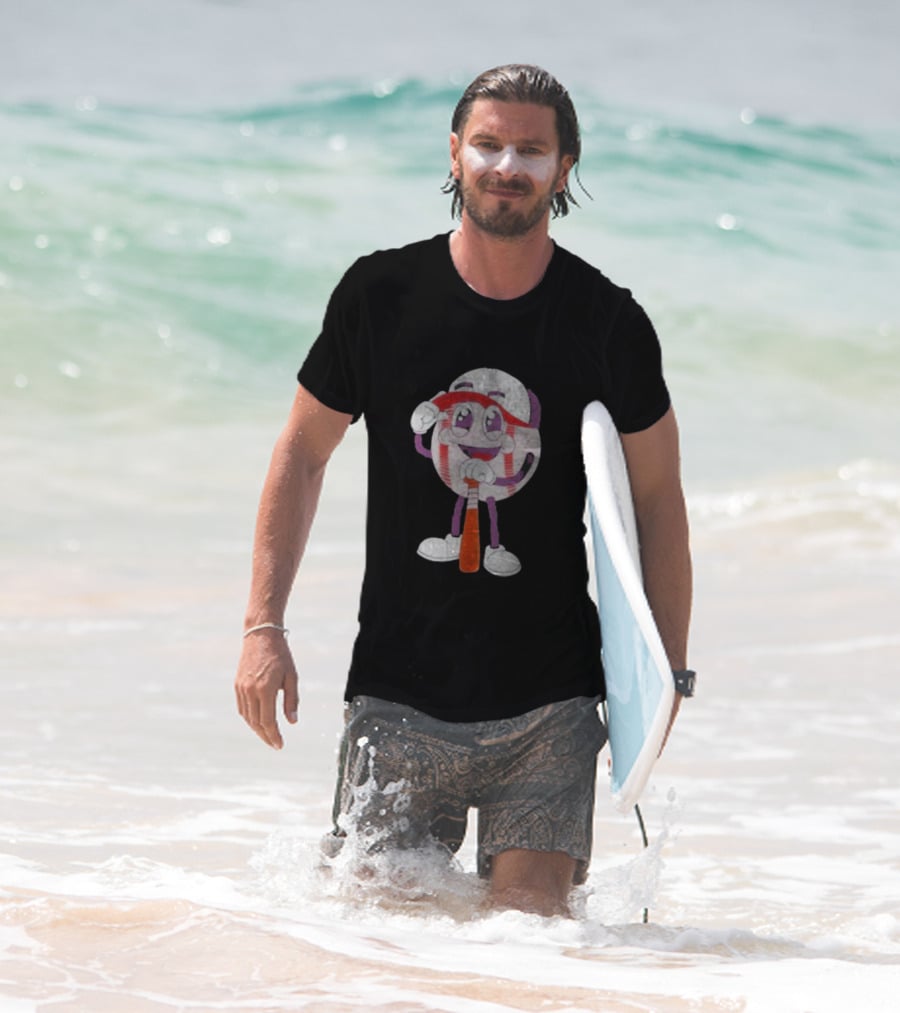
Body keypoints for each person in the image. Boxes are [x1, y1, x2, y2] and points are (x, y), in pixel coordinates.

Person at [235, 64, 693, 918]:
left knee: (527, 951)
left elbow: (658, 499)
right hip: (399, 697)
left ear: (564, 165)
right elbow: (300, 454)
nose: (506, 164)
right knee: (379, 948)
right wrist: (264, 626)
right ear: (455, 154)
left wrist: (668, 675)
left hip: (551, 703)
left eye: (531, 148)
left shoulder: (609, 321)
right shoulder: (380, 296)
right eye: (488, 143)